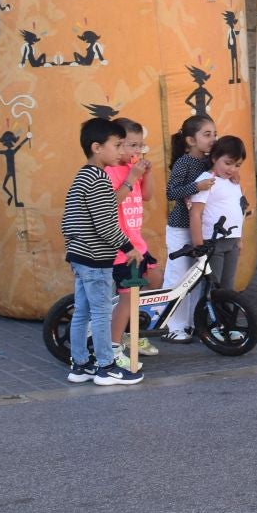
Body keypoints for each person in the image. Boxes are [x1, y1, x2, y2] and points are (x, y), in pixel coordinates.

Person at [62, 117, 142, 387]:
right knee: (100, 314)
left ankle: (80, 364)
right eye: (117, 145)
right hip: (95, 260)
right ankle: (106, 367)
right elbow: (106, 223)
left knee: (82, 312)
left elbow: (70, 220)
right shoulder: (98, 180)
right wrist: (128, 247)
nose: (121, 151)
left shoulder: (84, 176)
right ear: (97, 147)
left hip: (81, 256)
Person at [105, 119, 156, 369]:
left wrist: (147, 173)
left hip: (137, 244)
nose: (137, 151)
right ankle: (113, 349)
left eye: (140, 145)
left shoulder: (132, 168)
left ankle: (127, 333)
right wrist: (132, 176)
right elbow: (110, 203)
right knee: (127, 299)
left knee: (154, 280)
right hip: (120, 249)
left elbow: (147, 195)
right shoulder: (110, 171)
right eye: (131, 145)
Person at [160, 114, 215, 340]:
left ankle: (194, 324)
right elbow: (171, 192)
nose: (213, 139)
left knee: (197, 278)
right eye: (207, 134)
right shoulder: (184, 162)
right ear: (191, 140)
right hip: (180, 229)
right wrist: (196, 186)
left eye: (214, 134)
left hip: (200, 230)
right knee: (178, 278)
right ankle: (172, 327)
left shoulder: (209, 163)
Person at [189, 134, 250, 295]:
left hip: (232, 241)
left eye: (237, 165)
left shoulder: (233, 181)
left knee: (228, 286)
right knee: (213, 287)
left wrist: (239, 239)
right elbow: (195, 213)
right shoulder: (206, 180)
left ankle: (226, 313)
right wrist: (199, 246)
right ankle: (210, 312)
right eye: (228, 163)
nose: (232, 169)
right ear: (215, 158)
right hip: (212, 242)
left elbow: (238, 210)